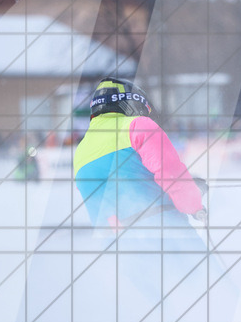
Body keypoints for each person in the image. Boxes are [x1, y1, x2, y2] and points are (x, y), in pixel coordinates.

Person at [74, 78, 207, 234]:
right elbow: (169, 171)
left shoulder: (81, 151)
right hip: (162, 232)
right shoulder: (138, 125)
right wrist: (193, 202)